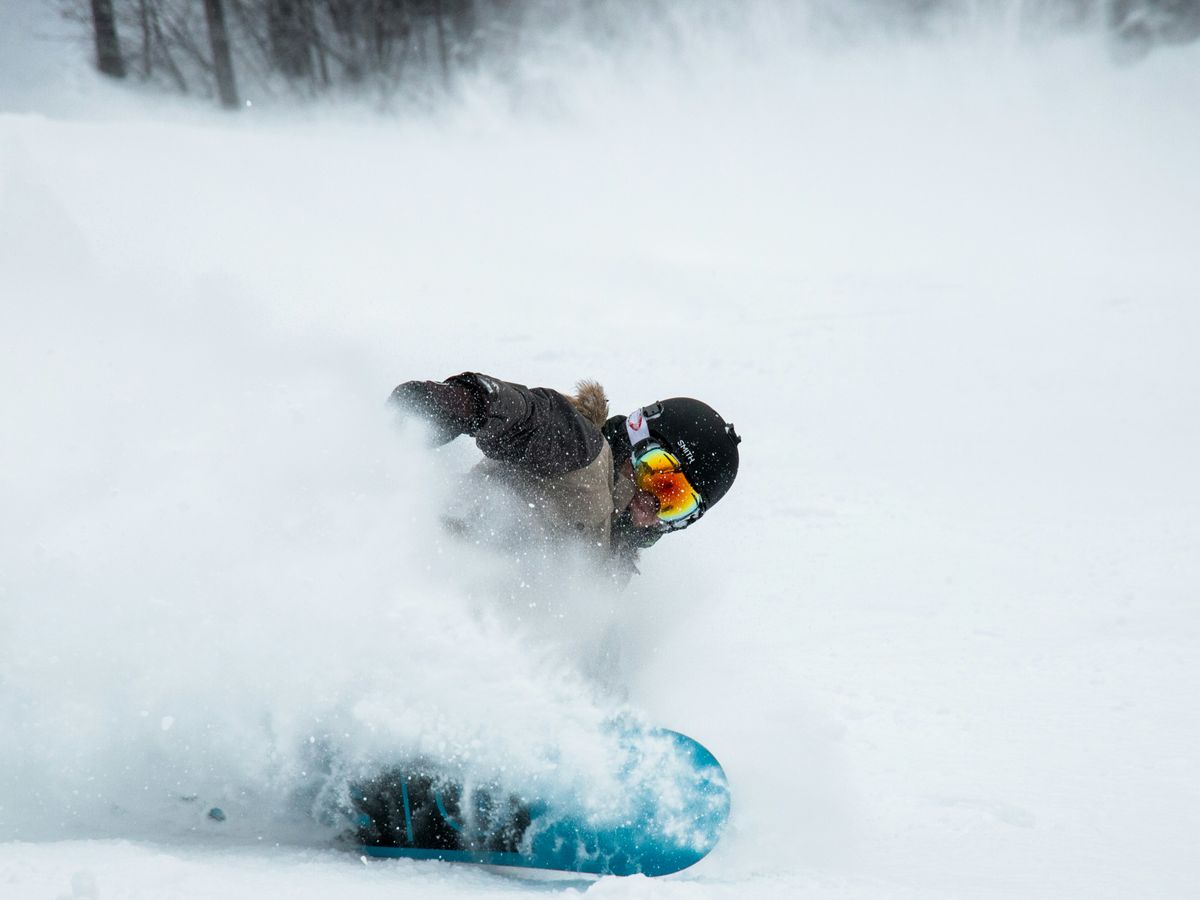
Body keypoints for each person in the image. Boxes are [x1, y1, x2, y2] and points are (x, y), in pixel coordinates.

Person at [390, 372, 741, 584]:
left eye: (676, 503)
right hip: (430, 566)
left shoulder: (613, 563)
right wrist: (464, 404)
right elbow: (532, 417)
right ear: (636, 437)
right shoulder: (583, 454)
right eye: (658, 476)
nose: (651, 506)